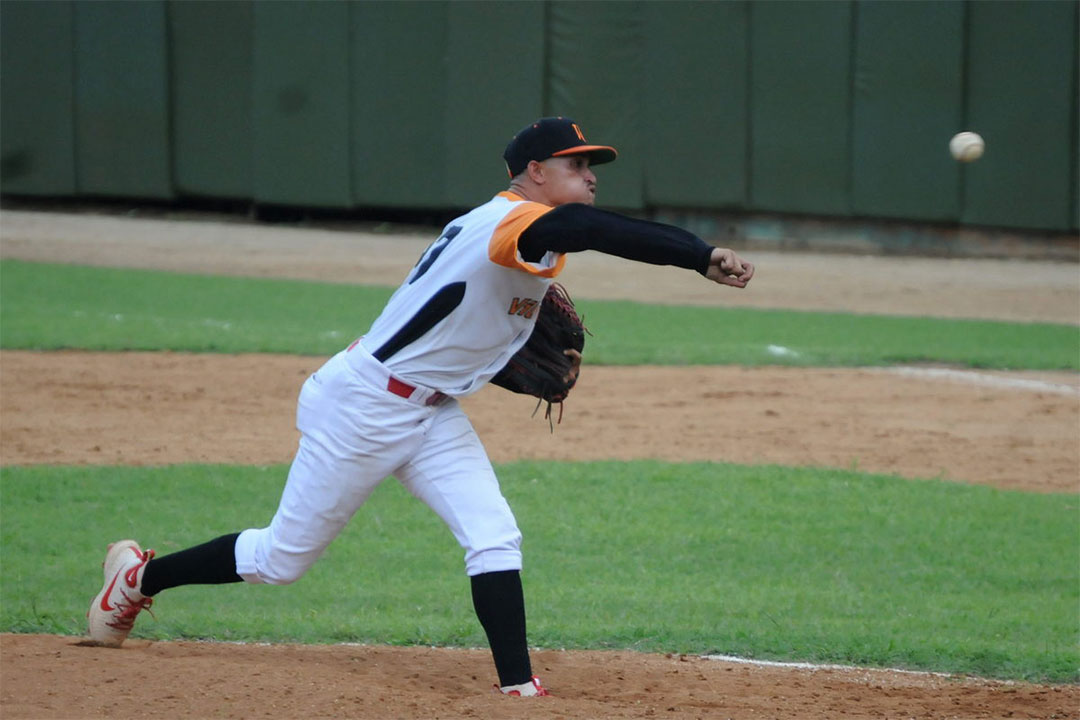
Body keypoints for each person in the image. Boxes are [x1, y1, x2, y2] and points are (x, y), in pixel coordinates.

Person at [88, 116, 754, 696]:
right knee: (280, 560)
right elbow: (583, 225)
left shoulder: (515, 233)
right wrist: (698, 254)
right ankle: (137, 580)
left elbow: (458, 333)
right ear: (534, 172)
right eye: (577, 164)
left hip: (430, 412)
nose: (589, 175)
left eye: (591, 166)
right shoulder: (512, 223)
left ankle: (517, 685)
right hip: (363, 406)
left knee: (494, 534)